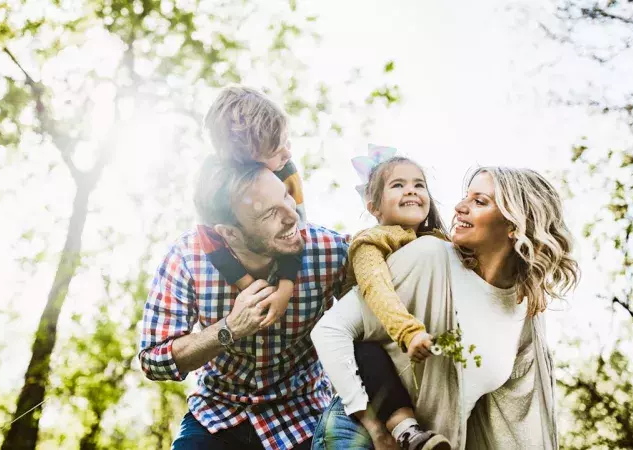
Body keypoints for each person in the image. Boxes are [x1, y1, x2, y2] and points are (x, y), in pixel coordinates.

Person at [311, 166, 580, 450]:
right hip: (363, 432)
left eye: (479, 201)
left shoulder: (523, 309)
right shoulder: (429, 255)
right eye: (467, 196)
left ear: (514, 226)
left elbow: (517, 417)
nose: (459, 207)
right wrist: (375, 429)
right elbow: (331, 330)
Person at [138, 159, 349, 450]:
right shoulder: (187, 258)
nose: (292, 217)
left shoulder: (328, 250)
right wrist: (229, 329)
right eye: (269, 214)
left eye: (286, 196)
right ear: (229, 233)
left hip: (303, 416)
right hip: (216, 414)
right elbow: (153, 360)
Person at [343, 146, 453, 450]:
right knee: (364, 351)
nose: (412, 191)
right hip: (384, 344)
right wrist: (409, 331)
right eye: (398, 185)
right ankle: (406, 431)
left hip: (429, 347)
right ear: (374, 207)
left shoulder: (441, 243)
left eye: (419, 184)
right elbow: (376, 290)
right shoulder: (369, 243)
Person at [199, 85, 307, 328]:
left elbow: (297, 231)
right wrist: (252, 288)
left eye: (286, 142)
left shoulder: (286, 172)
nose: (288, 153)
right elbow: (210, 241)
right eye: (275, 150)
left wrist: (285, 289)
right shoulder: (212, 187)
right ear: (245, 161)